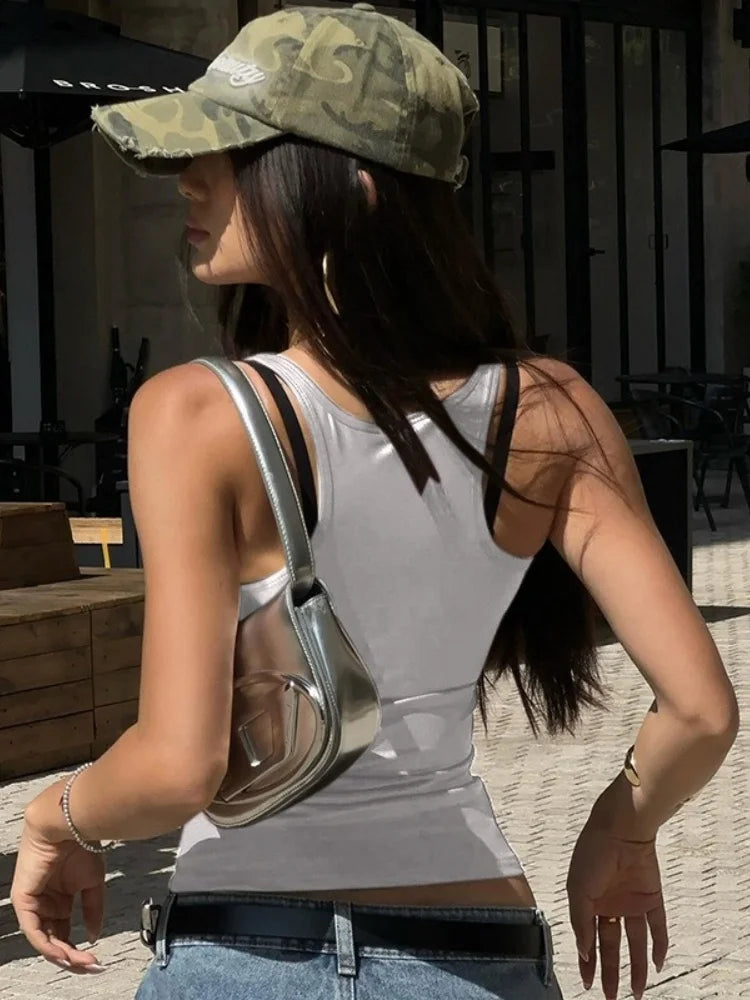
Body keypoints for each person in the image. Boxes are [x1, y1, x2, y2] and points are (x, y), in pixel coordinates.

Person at [11, 6, 738, 1000]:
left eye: (232, 153)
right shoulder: (552, 410)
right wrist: (624, 827)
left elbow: (180, 766)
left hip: (250, 953)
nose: (189, 179)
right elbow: (700, 710)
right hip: (477, 953)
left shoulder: (197, 413)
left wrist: (54, 816)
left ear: (350, 194)